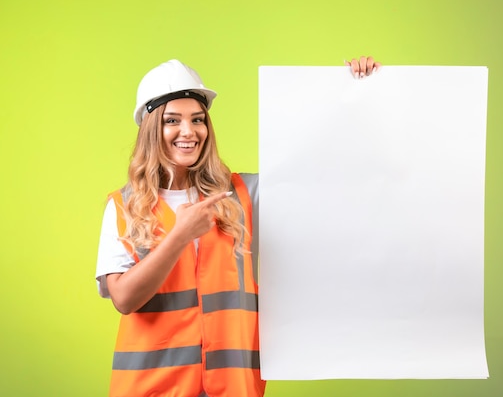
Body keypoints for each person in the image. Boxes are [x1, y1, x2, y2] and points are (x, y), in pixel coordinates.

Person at [96, 57, 380, 397]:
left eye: (197, 120)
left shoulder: (245, 194)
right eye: (173, 120)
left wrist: (357, 93)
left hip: (232, 388)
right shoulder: (124, 205)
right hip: (151, 388)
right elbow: (124, 299)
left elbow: (323, 170)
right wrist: (180, 235)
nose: (189, 131)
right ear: (151, 129)